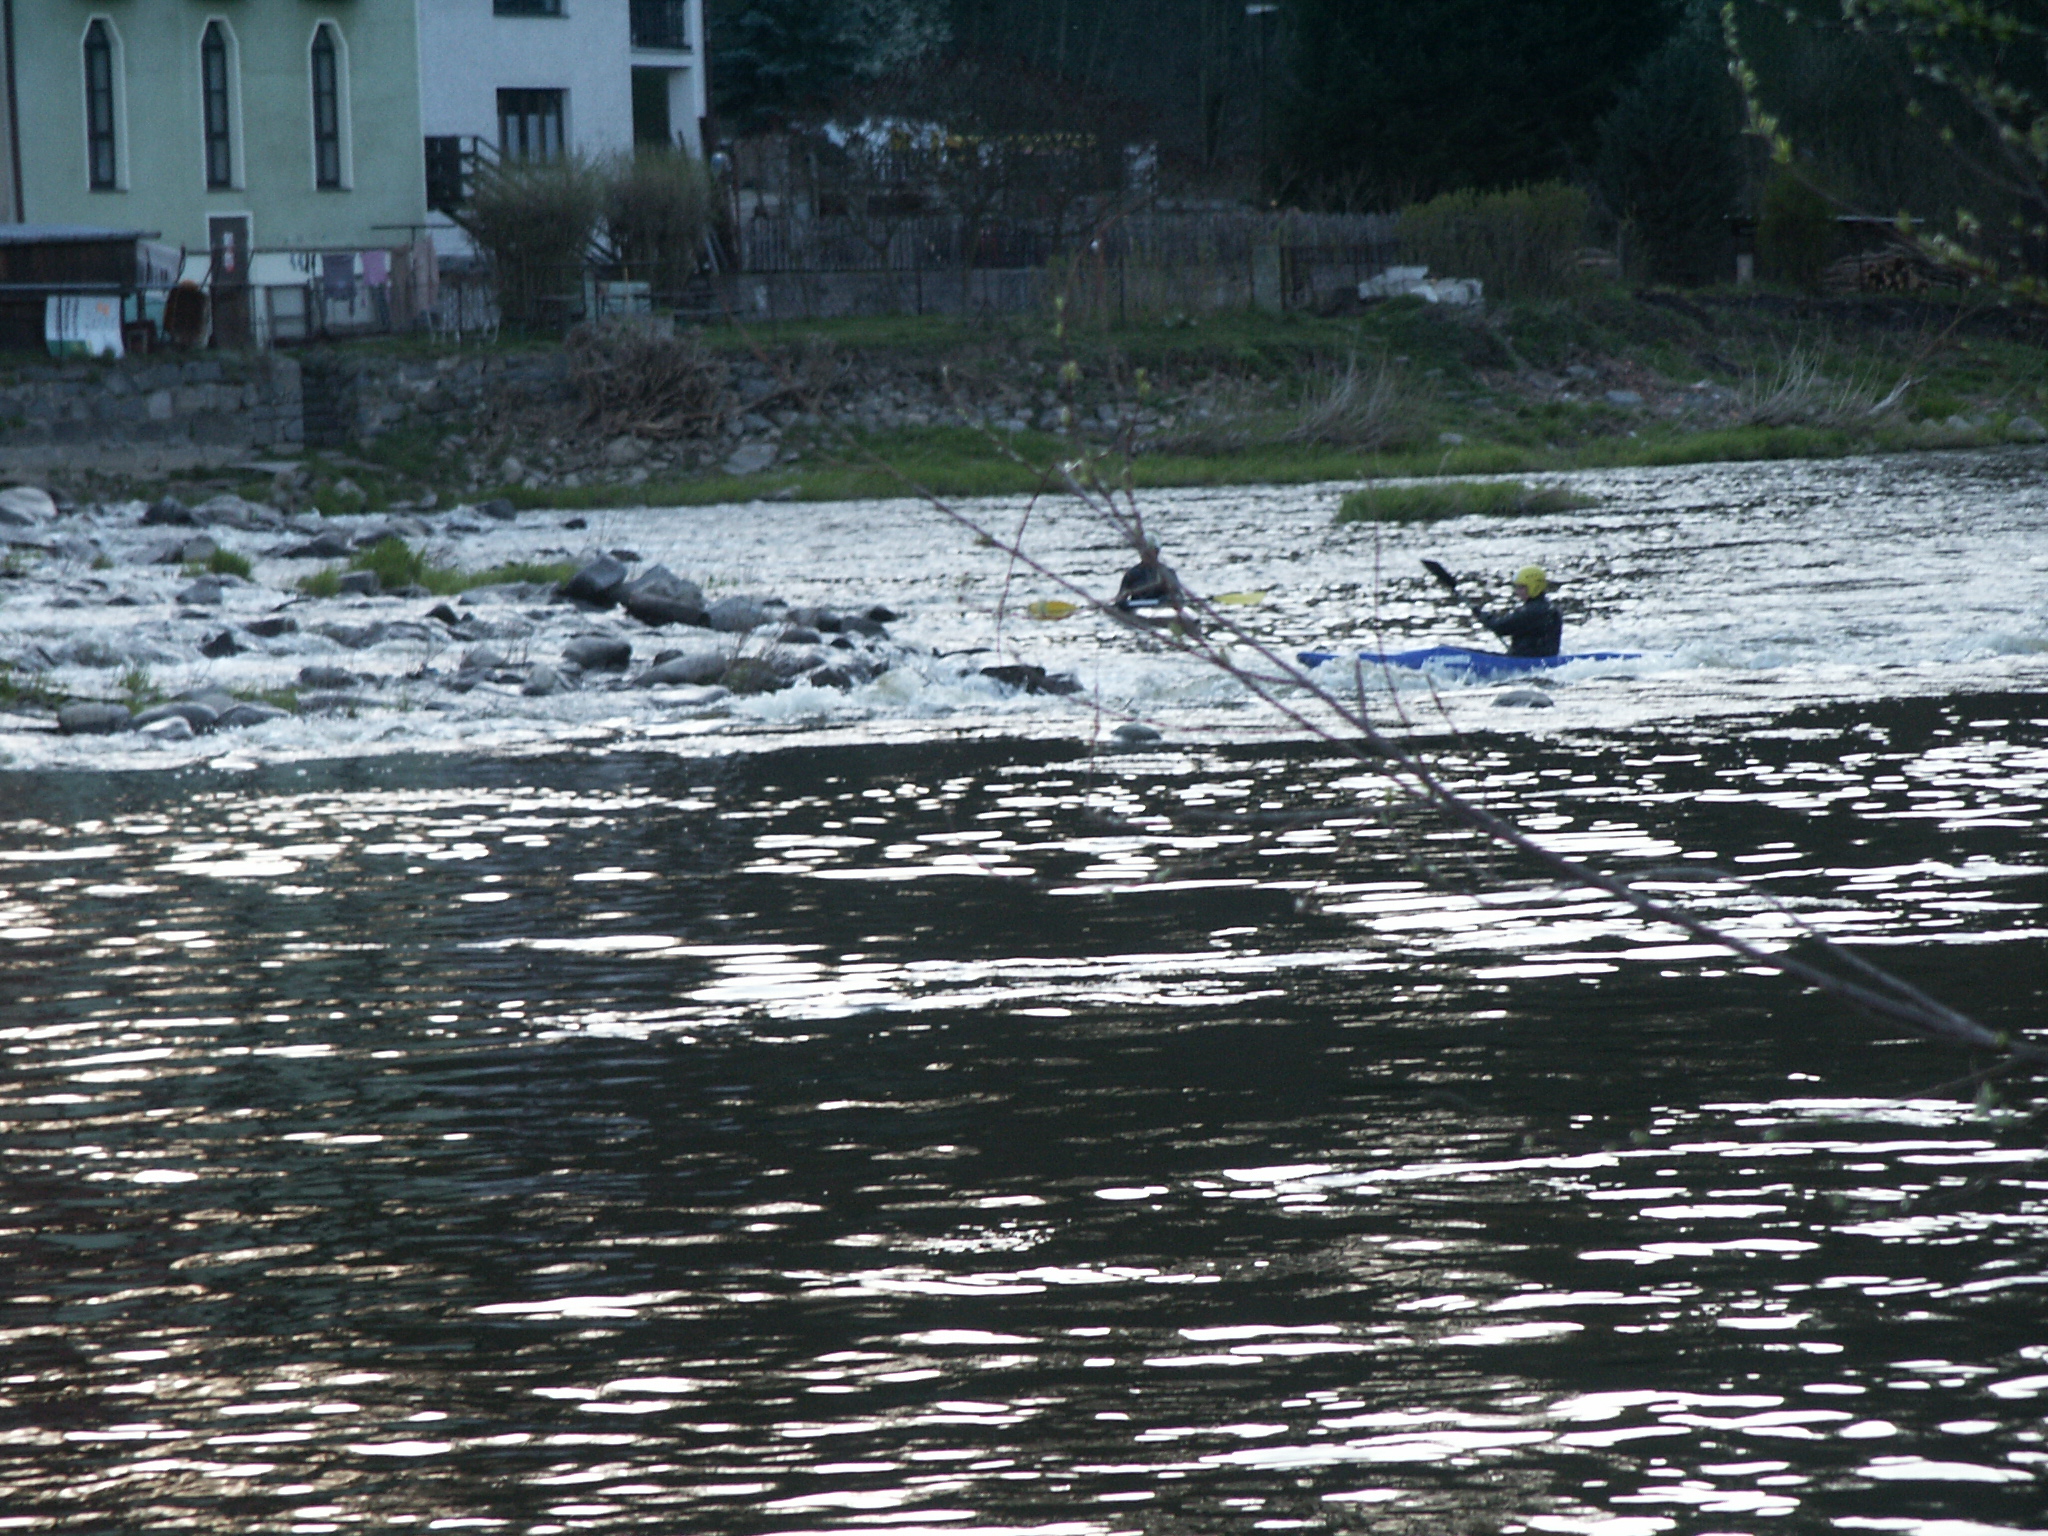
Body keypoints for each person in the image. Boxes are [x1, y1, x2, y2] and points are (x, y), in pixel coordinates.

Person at [1472, 565, 1563, 657]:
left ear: (1534, 587)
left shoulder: (1532, 611)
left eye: (1521, 587)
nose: (1517, 591)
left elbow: (1500, 627)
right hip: (1541, 658)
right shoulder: (1550, 608)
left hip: (1526, 660)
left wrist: (1481, 615)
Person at [1114, 538, 1183, 610]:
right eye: (1144, 552)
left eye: (1150, 552)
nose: (1146, 555)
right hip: (1137, 607)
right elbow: (1120, 597)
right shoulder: (1131, 574)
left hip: (1163, 608)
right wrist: (1122, 600)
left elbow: (1179, 596)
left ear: (1157, 552)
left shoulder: (1168, 572)